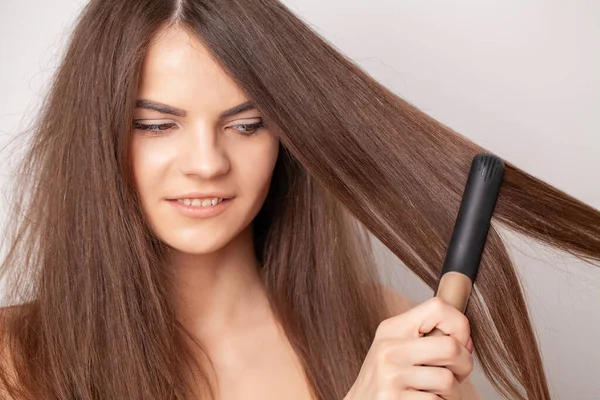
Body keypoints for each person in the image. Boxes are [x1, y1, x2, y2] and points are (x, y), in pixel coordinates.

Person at [0, 1, 598, 399]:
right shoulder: (14, 361)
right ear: (95, 136)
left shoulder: (394, 340)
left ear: (288, 138)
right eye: (157, 125)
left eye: (247, 124)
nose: (207, 163)